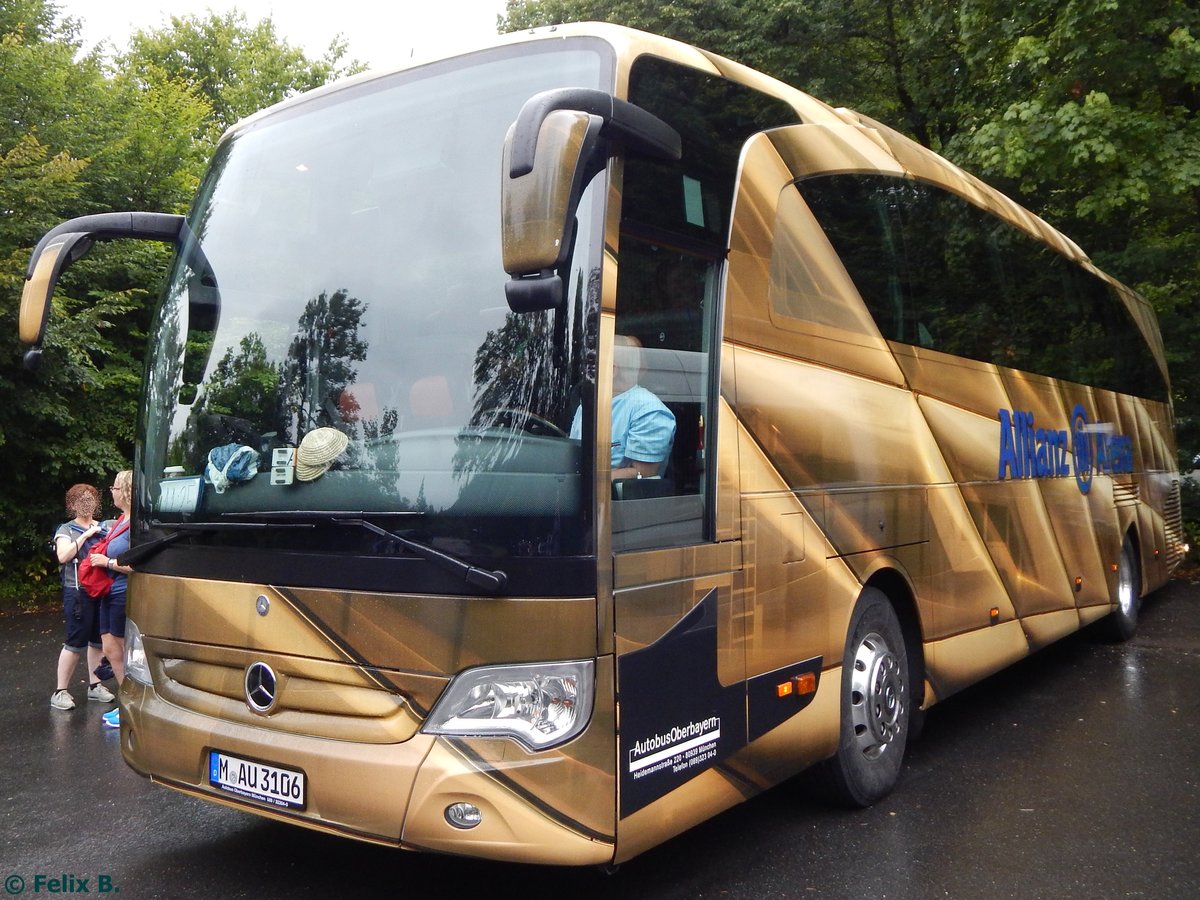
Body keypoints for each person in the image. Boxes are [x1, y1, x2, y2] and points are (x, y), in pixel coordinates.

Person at [571, 334, 676, 480]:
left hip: (615, 500)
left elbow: (643, 475)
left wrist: (579, 482)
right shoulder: (588, 404)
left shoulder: (649, 411)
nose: (584, 371)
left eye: (591, 364)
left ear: (612, 370)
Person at [50, 484, 115, 711]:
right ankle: (60, 691)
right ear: (72, 505)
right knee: (75, 641)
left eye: (90, 499)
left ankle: (95, 686)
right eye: (81, 500)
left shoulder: (106, 526)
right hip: (77, 592)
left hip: (102, 590)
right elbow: (63, 556)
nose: (86, 503)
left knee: (98, 640)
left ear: (96, 502)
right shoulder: (66, 529)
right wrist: (87, 534)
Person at [90, 469, 133, 728]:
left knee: (125, 649)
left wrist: (107, 562)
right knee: (109, 648)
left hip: (123, 591)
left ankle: (133, 706)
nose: (112, 492)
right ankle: (125, 701)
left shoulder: (138, 524)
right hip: (108, 590)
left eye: (115, 488)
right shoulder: (119, 520)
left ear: (126, 491)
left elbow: (141, 564)